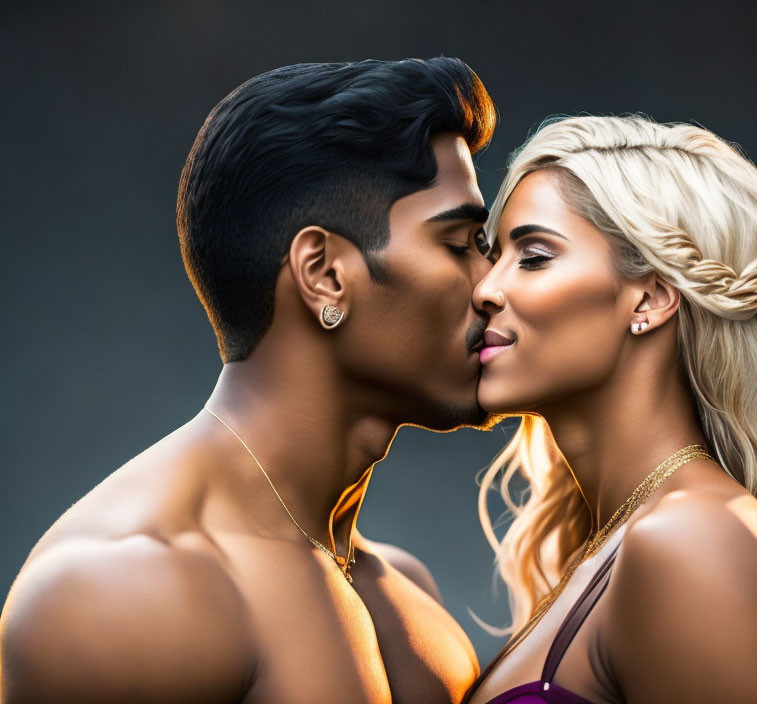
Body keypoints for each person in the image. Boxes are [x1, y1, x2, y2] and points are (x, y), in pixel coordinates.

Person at [0, 57, 497, 704]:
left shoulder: (400, 584)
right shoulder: (122, 591)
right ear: (324, 274)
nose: (495, 285)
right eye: (461, 244)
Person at [463, 115, 757, 704]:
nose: (485, 289)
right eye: (493, 256)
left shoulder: (691, 539)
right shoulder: (625, 537)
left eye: (534, 256)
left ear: (652, 297)